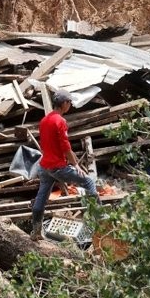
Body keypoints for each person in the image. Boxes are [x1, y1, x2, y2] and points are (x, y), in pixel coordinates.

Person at [31, 89, 98, 240]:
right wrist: (76, 165)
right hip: (57, 166)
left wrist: (71, 159)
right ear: (65, 103)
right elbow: (66, 147)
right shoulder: (60, 121)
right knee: (88, 181)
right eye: (70, 103)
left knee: (41, 197)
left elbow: (52, 145)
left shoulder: (44, 120)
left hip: (44, 166)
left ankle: (35, 231)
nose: (71, 106)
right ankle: (100, 221)